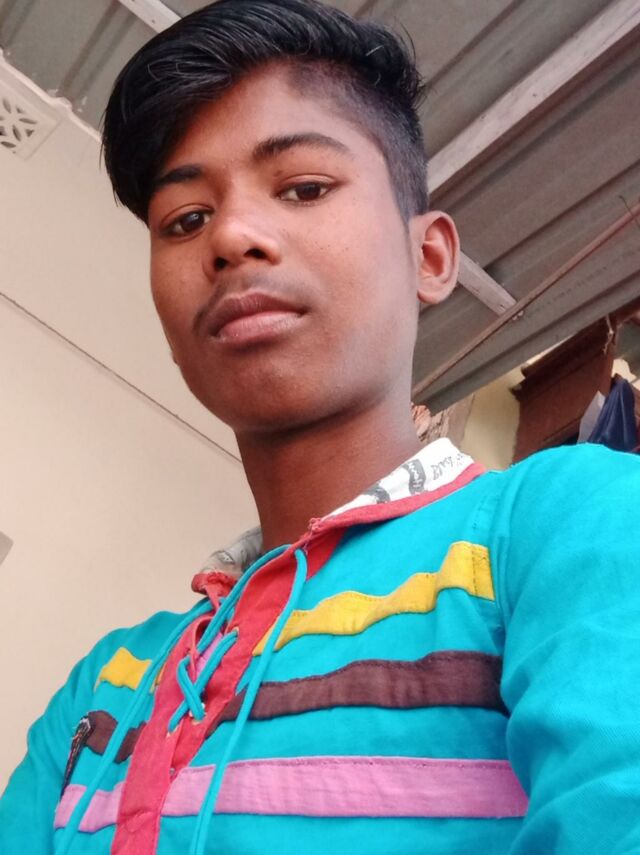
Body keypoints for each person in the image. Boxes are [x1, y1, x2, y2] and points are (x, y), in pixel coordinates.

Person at [1, 1, 639, 852]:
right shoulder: (105, 683)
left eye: (303, 187)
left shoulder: (568, 525)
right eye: (185, 220)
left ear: (430, 257)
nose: (231, 236)